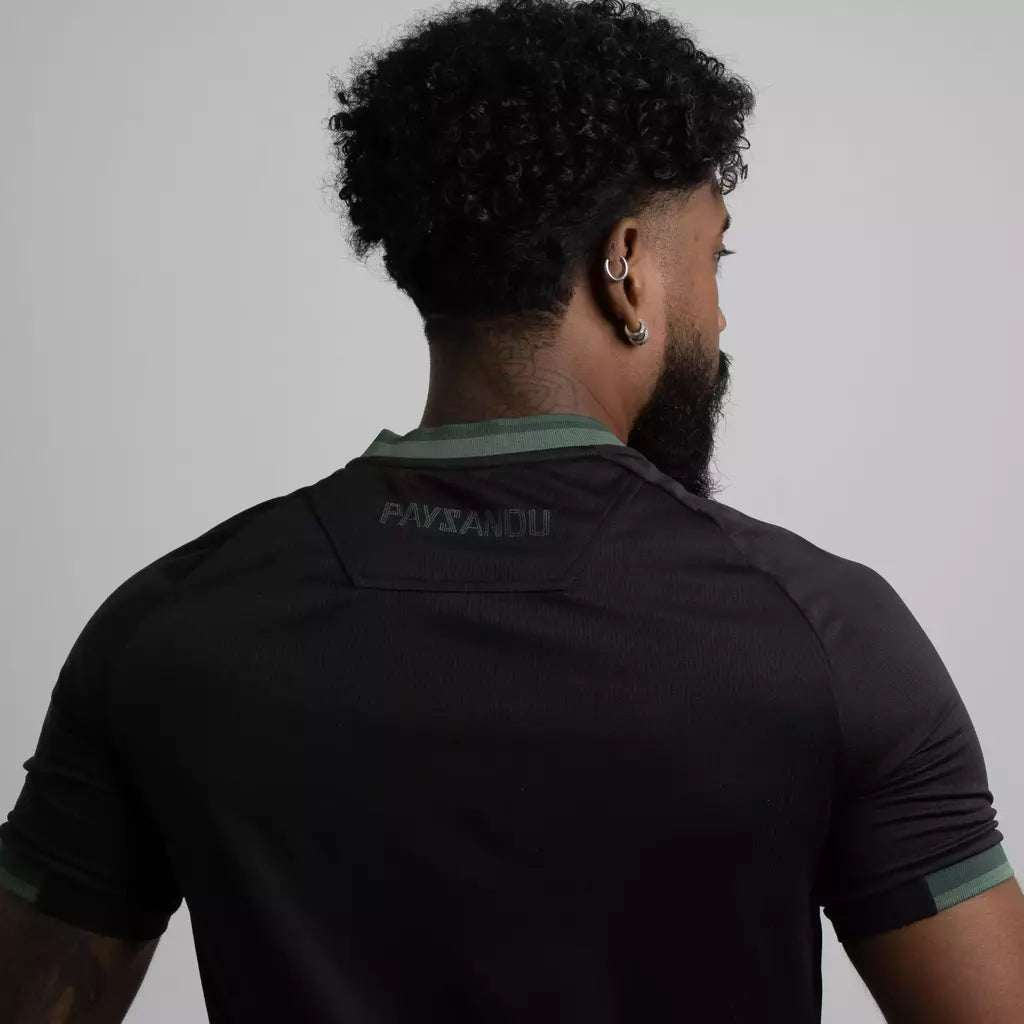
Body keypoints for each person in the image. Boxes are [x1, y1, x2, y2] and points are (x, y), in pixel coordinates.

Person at [1, 0, 1022, 1020]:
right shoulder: (825, 638)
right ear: (626, 267)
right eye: (715, 260)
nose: (719, 315)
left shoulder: (170, 629)